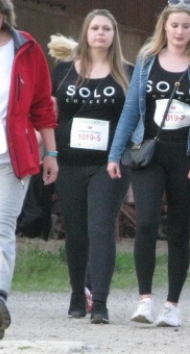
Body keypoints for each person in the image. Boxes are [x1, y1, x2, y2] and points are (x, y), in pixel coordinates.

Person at [107, 0, 190, 327]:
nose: (180, 31)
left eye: (186, 26)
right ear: (164, 27)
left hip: (186, 155)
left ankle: (172, 305)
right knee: (145, 222)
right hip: (149, 153)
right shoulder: (146, 61)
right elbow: (131, 110)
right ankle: (144, 300)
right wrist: (115, 153)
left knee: (179, 228)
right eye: (174, 25)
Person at [0, 0, 58, 340]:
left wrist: (51, 152)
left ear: (4, 16)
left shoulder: (25, 48)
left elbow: (42, 105)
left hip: (7, 156)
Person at [49, 9, 133, 324]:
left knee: (100, 228)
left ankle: (99, 302)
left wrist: (123, 154)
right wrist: (48, 152)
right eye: (95, 28)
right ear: (86, 32)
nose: (100, 33)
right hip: (69, 162)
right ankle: (76, 295)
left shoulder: (127, 72)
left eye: (106, 29)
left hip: (108, 164)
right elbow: (48, 111)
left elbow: (136, 118)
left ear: (114, 35)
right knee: (76, 231)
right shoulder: (63, 71)